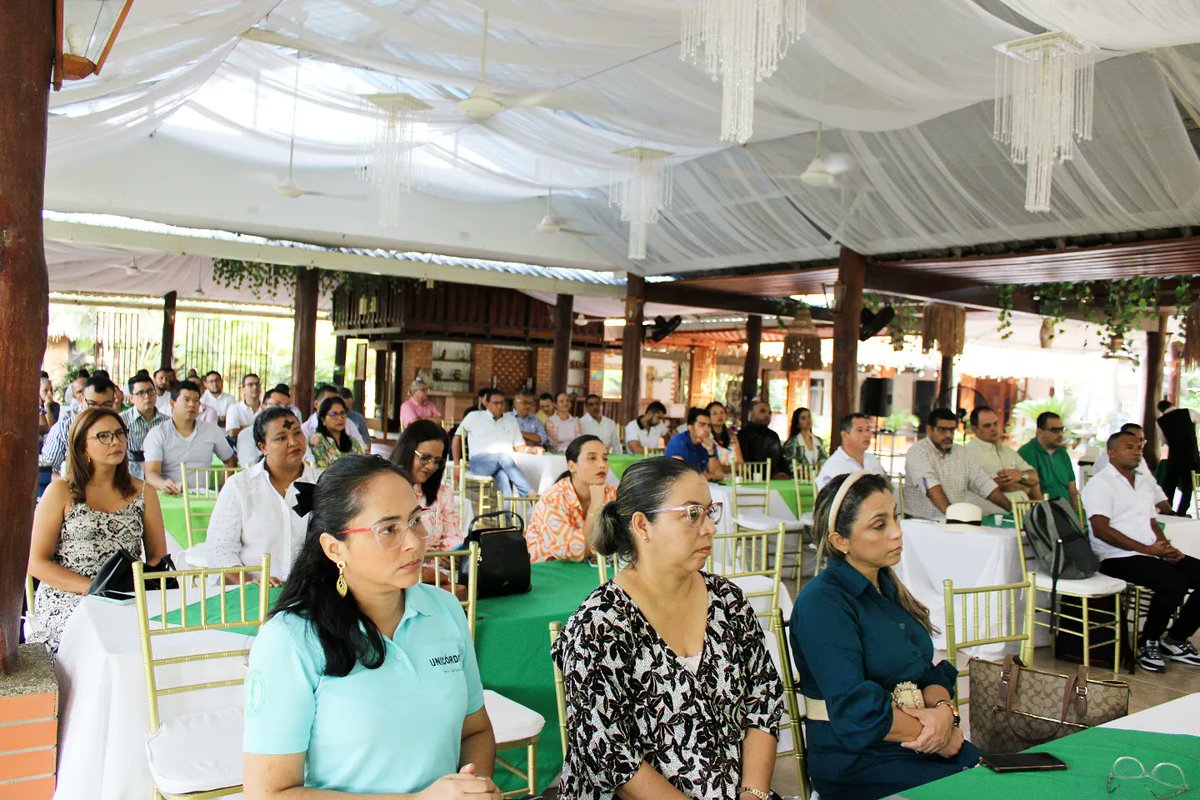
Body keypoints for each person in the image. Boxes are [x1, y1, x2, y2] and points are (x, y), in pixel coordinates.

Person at [242, 455, 500, 798]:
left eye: (416, 520)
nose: (414, 541)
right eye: (388, 530)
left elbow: (475, 731)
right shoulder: (290, 640)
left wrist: (471, 787)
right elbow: (268, 793)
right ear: (334, 548)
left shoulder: (444, 610)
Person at [551, 457, 782, 800]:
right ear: (642, 525)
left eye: (709, 512)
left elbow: (763, 697)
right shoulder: (600, 624)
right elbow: (610, 754)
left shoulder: (727, 601)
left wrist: (753, 792)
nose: (710, 528)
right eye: (692, 513)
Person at [790, 471, 980, 799]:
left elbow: (925, 672)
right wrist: (937, 735)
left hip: (914, 745)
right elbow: (856, 709)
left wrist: (943, 713)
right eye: (879, 525)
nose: (897, 532)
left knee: (1014, 783)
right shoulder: (823, 602)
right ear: (840, 541)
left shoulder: (888, 587)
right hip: (858, 760)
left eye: (895, 517)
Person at [27, 407, 169, 649]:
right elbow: (36, 562)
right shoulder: (61, 491)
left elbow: (157, 557)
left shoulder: (144, 492)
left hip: (124, 595)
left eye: (119, 433)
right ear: (82, 446)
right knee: (99, 633)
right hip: (69, 594)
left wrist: (137, 590)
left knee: (156, 636)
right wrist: (93, 589)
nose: (115, 441)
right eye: (103, 436)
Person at [1082, 430, 1200, 673]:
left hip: (1148, 551)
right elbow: (1101, 529)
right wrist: (1146, 549)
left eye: (1139, 447)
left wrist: (1166, 548)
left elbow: (1151, 523)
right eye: (1129, 447)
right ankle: (1148, 642)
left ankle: (1174, 640)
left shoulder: (1143, 483)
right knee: (1174, 582)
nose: (1137, 451)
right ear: (1111, 453)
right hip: (1114, 556)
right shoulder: (1101, 484)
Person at [205, 407, 316, 582]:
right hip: (251, 590)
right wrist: (250, 582)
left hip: (309, 589)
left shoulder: (322, 484)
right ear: (262, 447)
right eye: (281, 438)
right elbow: (220, 549)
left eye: (297, 433)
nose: (293, 442)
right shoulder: (239, 487)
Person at [904, 408, 1010, 521]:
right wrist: (953, 517)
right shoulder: (917, 452)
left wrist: (1012, 509)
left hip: (954, 521)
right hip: (921, 523)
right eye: (942, 430)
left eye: (951, 430)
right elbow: (930, 487)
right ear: (929, 430)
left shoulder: (961, 452)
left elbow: (983, 483)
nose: (948, 435)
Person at [526, 435, 617, 562]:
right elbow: (571, 551)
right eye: (592, 458)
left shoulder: (611, 493)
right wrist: (595, 506)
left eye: (605, 458)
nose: (602, 465)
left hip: (589, 567)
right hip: (547, 568)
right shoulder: (553, 498)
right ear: (572, 466)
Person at [143, 379, 237, 495]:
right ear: (172, 403)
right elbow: (151, 473)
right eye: (186, 400)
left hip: (202, 497)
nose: (192, 404)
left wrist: (223, 490)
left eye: (196, 400)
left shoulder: (211, 430)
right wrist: (163, 484)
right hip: (170, 496)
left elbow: (230, 460)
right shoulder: (158, 433)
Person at [452, 389, 539, 499]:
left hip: (504, 464)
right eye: (495, 403)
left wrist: (531, 450)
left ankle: (506, 510)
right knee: (503, 457)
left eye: (502, 403)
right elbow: (457, 438)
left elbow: (519, 446)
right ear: (486, 404)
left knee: (503, 476)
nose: (499, 406)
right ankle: (528, 492)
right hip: (479, 462)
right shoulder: (474, 416)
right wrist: (456, 465)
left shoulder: (510, 419)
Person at [391, 419, 462, 551]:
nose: (431, 466)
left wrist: (442, 551)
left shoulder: (443, 493)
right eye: (425, 457)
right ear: (407, 450)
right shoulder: (384, 491)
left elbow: (455, 536)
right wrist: (420, 548)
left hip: (438, 561)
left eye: (437, 461)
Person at [41, 373, 118, 477]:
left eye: (106, 405)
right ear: (81, 399)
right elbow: (48, 471)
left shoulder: (119, 431)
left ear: (113, 402)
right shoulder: (63, 430)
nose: (98, 410)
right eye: (92, 404)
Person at [1093, 423, 1176, 514]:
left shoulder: (1139, 460)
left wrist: (1170, 513)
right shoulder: (1109, 459)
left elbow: (1153, 487)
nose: (1138, 444)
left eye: (1141, 440)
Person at [964, 407, 1041, 504]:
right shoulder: (967, 454)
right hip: (992, 511)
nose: (993, 428)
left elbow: (1034, 479)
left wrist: (1021, 476)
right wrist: (1023, 486)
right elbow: (970, 489)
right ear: (974, 429)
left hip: (1022, 509)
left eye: (996, 423)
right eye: (987, 426)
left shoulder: (1008, 451)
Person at [1017, 412, 1080, 512]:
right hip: (1043, 512)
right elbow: (1034, 493)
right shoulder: (1027, 452)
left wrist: (1079, 514)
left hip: (1066, 512)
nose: (1060, 434)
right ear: (1040, 432)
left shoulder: (1062, 453)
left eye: (1061, 429)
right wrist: (1049, 515)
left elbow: (1072, 490)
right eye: (1055, 430)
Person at [817, 413, 889, 491]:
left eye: (868, 429)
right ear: (844, 435)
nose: (867, 434)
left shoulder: (872, 459)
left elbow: (886, 487)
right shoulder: (833, 466)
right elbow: (827, 497)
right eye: (860, 430)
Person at [120, 371, 169, 480]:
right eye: (141, 393)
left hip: (161, 478)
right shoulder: (121, 421)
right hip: (130, 478)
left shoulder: (167, 422)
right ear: (131, 398)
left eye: (150, 391)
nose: (147, 396)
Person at [237, 385, 299, 468]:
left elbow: (308, 461)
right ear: (263, 408)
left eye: (287, 407)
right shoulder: (247, 434)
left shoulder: (297, 432)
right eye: (277, 405)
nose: (283, 411)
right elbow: (249, 467)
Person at [1156, 398, 1200, 515]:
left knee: (1170, 484)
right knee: (1187, 486)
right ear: (1172, 404)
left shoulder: (1160, 421)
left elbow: (1163, 440)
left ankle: (1167, 510)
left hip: (1174, 457)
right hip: (1191, 456)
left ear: (1161, 411)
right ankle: (1182, 512)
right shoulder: (1188, 412)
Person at [665, 407, 726, 481]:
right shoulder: (678, 441)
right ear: (691, 428)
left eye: (709, 426)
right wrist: (707, 476)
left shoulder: (709, 444)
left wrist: (710, 451)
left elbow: (719, 475)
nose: (707, 429)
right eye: (702, 425)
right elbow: (679, 474)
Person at [309, 395, 369, 469]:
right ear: (323, 419)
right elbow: (321, 470)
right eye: (334, 414)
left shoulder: (352, 441)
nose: (340, 418)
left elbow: (363, 465)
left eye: (342, 413)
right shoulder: (317, 440)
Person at [738, 401, 787, 478]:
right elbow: (746, 462)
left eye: (769, 413)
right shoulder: (743, 435)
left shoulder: (773, 436)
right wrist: (770, 476)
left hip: (775, 479)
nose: (767, 415)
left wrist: (783, 473)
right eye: (762, 411)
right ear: (751, 413)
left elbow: (780, 459)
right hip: (752, 479)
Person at [783, 406, 827, 471]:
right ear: (797, 423)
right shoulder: (792, 442)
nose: (808, 420)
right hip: (800, 477)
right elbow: (792, 466)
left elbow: (824, 460)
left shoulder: (819, 441)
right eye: (803, 418)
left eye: (809, 417)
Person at [224, 373, 263, 439]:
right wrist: (260, 429)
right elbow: (232, 433)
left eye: (257, 384)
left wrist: (243, 428)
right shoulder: (234, 409)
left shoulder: (266, 408)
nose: (255, 387)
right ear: (243, 389)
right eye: (250, 385)